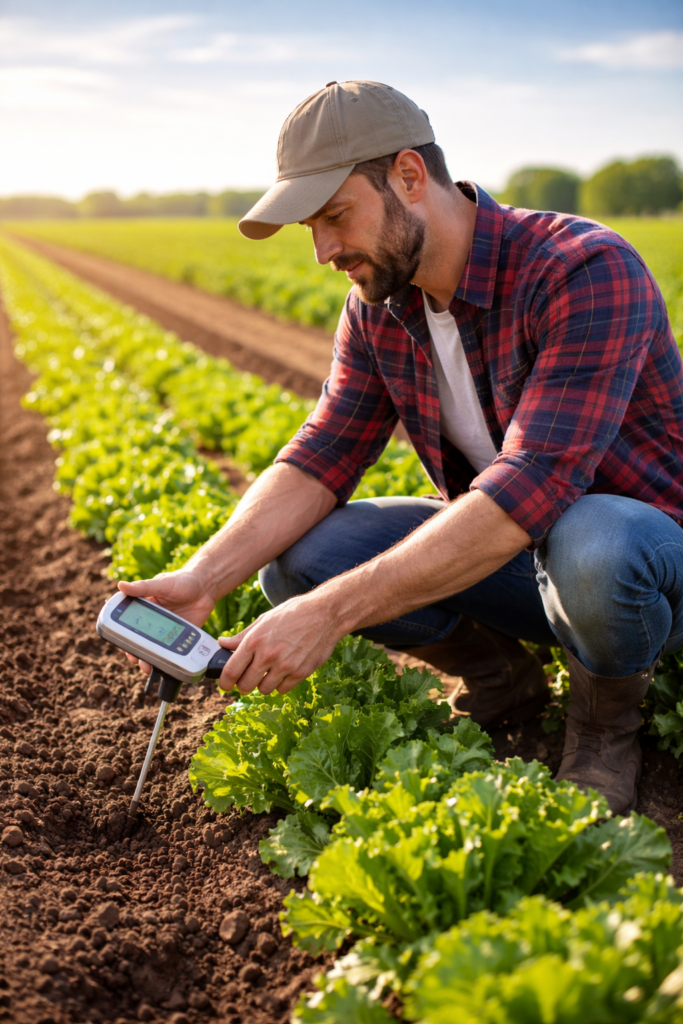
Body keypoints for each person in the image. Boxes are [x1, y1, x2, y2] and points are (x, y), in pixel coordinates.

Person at [120, 80, 683, 815]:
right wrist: (205, 577)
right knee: (304, 563)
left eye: (335, 216)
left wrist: (329, 616)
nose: (324, 251)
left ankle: (606, 722)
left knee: (594, 539)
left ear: (409, 177)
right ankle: (500, 680)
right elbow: (323, 452)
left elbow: (527, 491)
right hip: (530, 562)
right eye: (310, 229)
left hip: (646, 575)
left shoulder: (581, 268)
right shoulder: (380, 308)